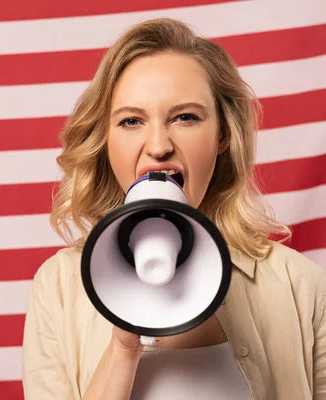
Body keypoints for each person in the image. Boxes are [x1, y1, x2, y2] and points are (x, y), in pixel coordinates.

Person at [21, 18, 326, 400]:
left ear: (222, 135)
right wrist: (123, 347)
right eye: (131, 121)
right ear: (106, 140)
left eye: (185, 117)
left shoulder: (301, 285)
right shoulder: (59, 287)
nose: (159, 145)